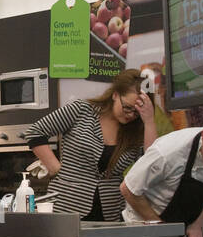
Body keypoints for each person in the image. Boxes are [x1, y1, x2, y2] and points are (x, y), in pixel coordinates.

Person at [27, 70, 157, 219]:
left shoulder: (137, 130)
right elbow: (35, 133)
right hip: (67, 206)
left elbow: (151, 163)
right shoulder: (82, 110)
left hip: (110, 214)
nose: (131, 115)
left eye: (137, 112)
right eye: (127, 107)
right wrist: (56, 168)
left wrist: (149, 121)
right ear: (115, 94)